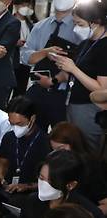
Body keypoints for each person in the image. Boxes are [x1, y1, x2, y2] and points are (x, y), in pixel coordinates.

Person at [52, 0, 107, 150]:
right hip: (73, 104)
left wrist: (74, 69)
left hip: (90, 108)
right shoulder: (86, 43)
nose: (76, 29)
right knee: (76, 149)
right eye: (75, 23)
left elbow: (102, 89)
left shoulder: (104, 47)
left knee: (89, 150)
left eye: (80, 24)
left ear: (96, 22)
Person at [20, 0, 81, 131]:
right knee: (32, 132)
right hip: (37, 88)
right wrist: (44, 52)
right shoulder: (40, 26)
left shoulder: (80, 28)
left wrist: (57, 78)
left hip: (63, 93)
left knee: (61, 136)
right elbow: (24, 56)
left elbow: (83, 64)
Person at [0, 96, 50, 209]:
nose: (15, 128)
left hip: (32, 191)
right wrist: (0, 175)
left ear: (32, 118)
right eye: (11, 124)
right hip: (9, 187)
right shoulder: (9, 137)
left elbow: (50, 181)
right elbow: (3, 160)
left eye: (19, 124)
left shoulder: (45, 142)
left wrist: (27, 186)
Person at [50, 122, 107, 214]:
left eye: (61, 149)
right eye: (54, 151)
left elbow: (105, 204)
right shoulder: (57, 166)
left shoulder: (93, 167)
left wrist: (82, 216)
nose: (58, 155)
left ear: (74, 143)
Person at [11, 0, 34, 97]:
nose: (26, 7)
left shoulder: (30, 24)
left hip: (25, 62)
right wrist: (14, 43)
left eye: (27, 5)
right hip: (12, 61)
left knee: (20, 91)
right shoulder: (10, 21)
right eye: (23, 5)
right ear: (16, 6)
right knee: (7, 90)